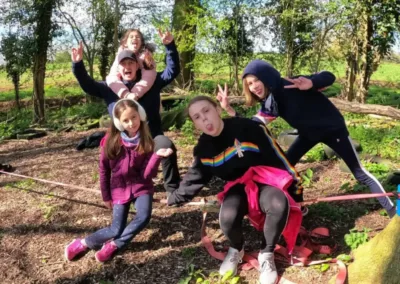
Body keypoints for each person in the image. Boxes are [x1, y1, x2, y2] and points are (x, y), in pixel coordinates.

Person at [217, 59, 396, 218]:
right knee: (285, 168)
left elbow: (329, 76)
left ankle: (392, 211)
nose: (254, 86)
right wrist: (229, 110)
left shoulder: (292, 83)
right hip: (308, 135)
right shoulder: (271, 103)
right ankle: (300, 206)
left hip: (333, 131)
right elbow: (253, 126)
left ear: (266, 76)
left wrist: (312, 82)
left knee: (360, 173)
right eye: (249, 83)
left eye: (256, 79)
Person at [167, 95, 303, 284]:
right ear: (195, 124)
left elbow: (279, 158)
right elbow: (194, 178)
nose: (204, 119)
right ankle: (236, 249)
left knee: (278, 204)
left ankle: (266, 254)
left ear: (218, 109)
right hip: (237, 187)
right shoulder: (203, 149)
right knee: (227, 218)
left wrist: (297, 191)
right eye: (197, 117)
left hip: (264, 181)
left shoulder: (249, 128)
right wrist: (172, 198)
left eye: (206, 111)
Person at [71, 29, 181, 194]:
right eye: (123, 64)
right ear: (118, 68)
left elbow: (172, 71)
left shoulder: (151, 83)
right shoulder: (110, 88)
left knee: (166, 145)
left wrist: (170, 46)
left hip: (150, 136)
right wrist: (78, 64)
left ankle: (173, 189)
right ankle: (119, 187)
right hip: (124, 141)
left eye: (131, 63)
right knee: (109, 148)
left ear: (137, 65)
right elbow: (88, 85)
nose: (127, 67)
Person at [65, 99, 173, 263]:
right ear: (119, 122)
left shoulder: (147, 141)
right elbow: (104, 170)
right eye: (126, 120)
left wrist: (157, 156)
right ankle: (83, 243)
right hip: (119, 189)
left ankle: (115, 245)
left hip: (141, 187)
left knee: (143, 216)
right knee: (115, 229)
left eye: (134, 117)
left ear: (140, 116)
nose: (131, 123)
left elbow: (147, 175)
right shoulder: (111, 142)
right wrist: (106, 196)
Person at [106, 29, 157, 100]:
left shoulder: (146, 56)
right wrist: (126, 94)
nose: (134, 38)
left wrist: (136, 93)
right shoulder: (120, 56)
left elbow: (149, 77)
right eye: (131, 36)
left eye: (137, 37)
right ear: (125, 43)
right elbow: (112, 77)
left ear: (141, 43)